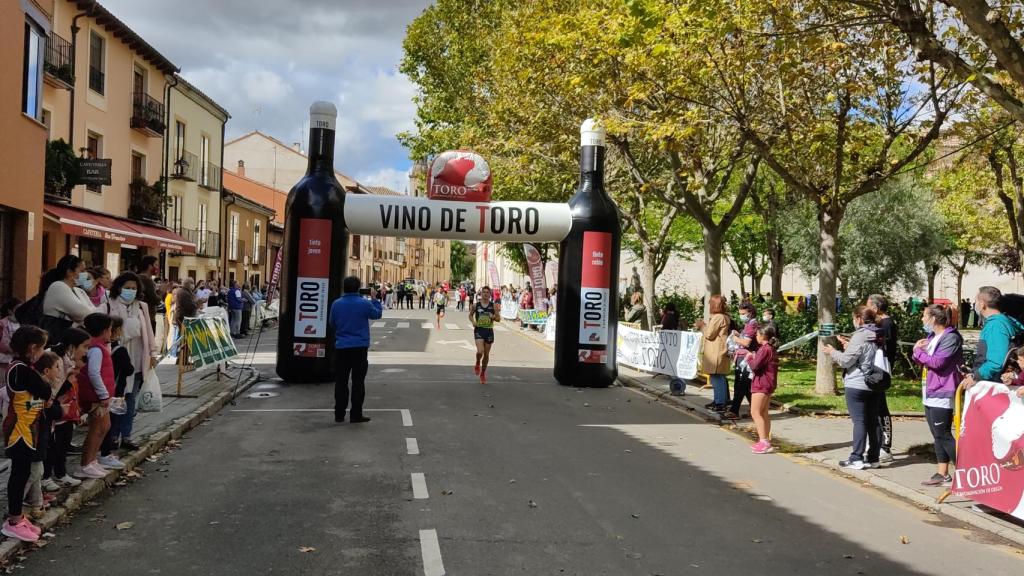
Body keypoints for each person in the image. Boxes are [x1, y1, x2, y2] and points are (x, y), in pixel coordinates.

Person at [2, 326, 55, 542]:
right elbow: (45, 391)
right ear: (32, 348)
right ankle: (13, 520)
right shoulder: (20, 369)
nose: (44, 352)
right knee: (19, 474)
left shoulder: (24, 367)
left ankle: (18, 517)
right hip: (20, 431)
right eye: (42, 348)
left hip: (28, 429)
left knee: (22, 472)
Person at [824, 305, 881, 470]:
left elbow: (846, 361)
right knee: (873, 421)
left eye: (854, 319)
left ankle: (856, 457)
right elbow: (866, 355)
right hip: (876, 382)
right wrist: (849, 346)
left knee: (860, 421)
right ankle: (874, 458)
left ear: (859, 319)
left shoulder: (860, 335)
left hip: (857, 383)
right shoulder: (879, 333)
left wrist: (833, 351)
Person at [912, 305, 963, 486]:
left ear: (933, 319)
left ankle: (965, 472)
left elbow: (938, 362)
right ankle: (942, 474)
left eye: (924, 316)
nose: (922, 319)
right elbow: (924, 360)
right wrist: (917, 352)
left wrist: (918, 352)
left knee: (944, 435)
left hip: (942, 390)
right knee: (937, 435)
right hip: (930, 391)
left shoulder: (951, 337)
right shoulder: (932, 337)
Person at [104, 273, 156, 451]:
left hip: (138, 356)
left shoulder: (141, 307)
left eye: (134, 288)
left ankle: (126, 435)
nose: (130, 291)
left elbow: (148, 331)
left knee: (130, 398)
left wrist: (153, 353)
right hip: (116, 358)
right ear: (119, 287)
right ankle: (111, 435)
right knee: (116, 398)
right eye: (127, 287)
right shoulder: (109, 305)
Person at [41, 328, 89, 492]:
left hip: (68, 410)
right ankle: (47, 477)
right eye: (85, 346)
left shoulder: (69, 361)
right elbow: (54, 392)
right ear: (72, 346)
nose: (86, 351)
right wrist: (69, 379)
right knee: (52, 446)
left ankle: (61, 473)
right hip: (55, 411)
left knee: (63, 444)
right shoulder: (57, 360)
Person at [328, 277, 382, 424]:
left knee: (341, 382)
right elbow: (377, 314)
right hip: (359, 347)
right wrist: (375, 299)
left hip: (341, 347)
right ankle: (356, 414)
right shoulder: (364, 304)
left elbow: (332, 323)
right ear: (358, 288)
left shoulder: (336, 304)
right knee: (358, 382)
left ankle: (339, 414)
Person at [76, 313, 116, 479]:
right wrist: (103, 394)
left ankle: (92, 461)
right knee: (97, 428)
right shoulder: (96, 349)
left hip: (101, 396)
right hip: (97, 396)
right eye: (110, 330)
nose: (111, 333)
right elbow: (93, 372)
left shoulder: (99, 347)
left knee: (104, 427)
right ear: (105, 330)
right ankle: (86, 463)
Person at [963, 286, 1023, 389]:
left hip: (993, 384)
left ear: (982, 304)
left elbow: (995, 362)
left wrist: (975, 376)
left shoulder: (996, 325)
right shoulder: (1004, 321)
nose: (975, 304)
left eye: (976, 301)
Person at [866, 294, 897, 462]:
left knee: (881, 409)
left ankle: (885, 446)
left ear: (876, 309)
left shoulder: (886, 324)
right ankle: (875, 443)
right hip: (875, 372)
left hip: (881, 372)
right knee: (874, 408)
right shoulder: (880, 324)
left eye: (867, 307)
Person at [39, 255, 95, 343]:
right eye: (82, 271)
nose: (86, 274)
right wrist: (80, 317)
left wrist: (78, 317)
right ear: (69, 272)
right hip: (58, 341)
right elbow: (84, 313)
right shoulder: (58, 287)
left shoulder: (79, 291)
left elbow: (95, 314)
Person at [695, 295, 731, 413]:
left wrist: (702, 326)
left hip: (716, 352)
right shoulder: (723, 316)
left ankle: (720, 402)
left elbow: (710, 334)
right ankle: (719, 400)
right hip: (717, 350)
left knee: (717, 377)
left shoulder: (718, 317)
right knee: (718, 377)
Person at [747, 324, 780, 454]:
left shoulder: (765, 349)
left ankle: (763, 441)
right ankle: (765, 440)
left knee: (755, 412)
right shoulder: (770, 349)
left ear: (763, 336)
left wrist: (750, 358)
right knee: (764, 412)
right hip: (767, 383)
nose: (755, 336)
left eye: (757, 334)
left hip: (761, 384)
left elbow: (755, 366)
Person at [725, 302, 759, 420]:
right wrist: (739, 335)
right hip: (744, 358)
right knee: (746, 386)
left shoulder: (751, 325)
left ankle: (734, 411)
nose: (741, 316)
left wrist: (735, 338)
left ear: (750, 313)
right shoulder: (749, 324)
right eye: (740, 313)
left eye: (743, 314)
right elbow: (746, 338)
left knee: (740, 385)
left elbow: (746, 342)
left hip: (746, 359)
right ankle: (754, 410)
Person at [470, 287, 500, 384]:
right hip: (479, 330)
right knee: (480, 351)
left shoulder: (494, 306)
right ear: (481, 293)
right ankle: (478, 361)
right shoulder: (476, 305)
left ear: (490, 294)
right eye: (484, 292)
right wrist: (473, 321)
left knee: (486, 354)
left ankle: (483, 373)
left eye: (487, 292)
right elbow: (470, 315)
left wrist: (494, 317)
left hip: (489, 331)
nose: (485, 294)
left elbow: (498, 319)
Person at [135, 256, 161, 332]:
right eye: (156, 265)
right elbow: (155, 300)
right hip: (148, 318)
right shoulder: (147, 280)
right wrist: (162, 291)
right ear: (150, 266)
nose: (157, 268)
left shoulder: (138, 277)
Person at [0, 298, 22, 385]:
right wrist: (17, 349)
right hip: (4, 362)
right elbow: (3, 343)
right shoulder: (2, 324)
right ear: (10, 311)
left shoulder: (23, 322)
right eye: (18, 308)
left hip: (18, 361)